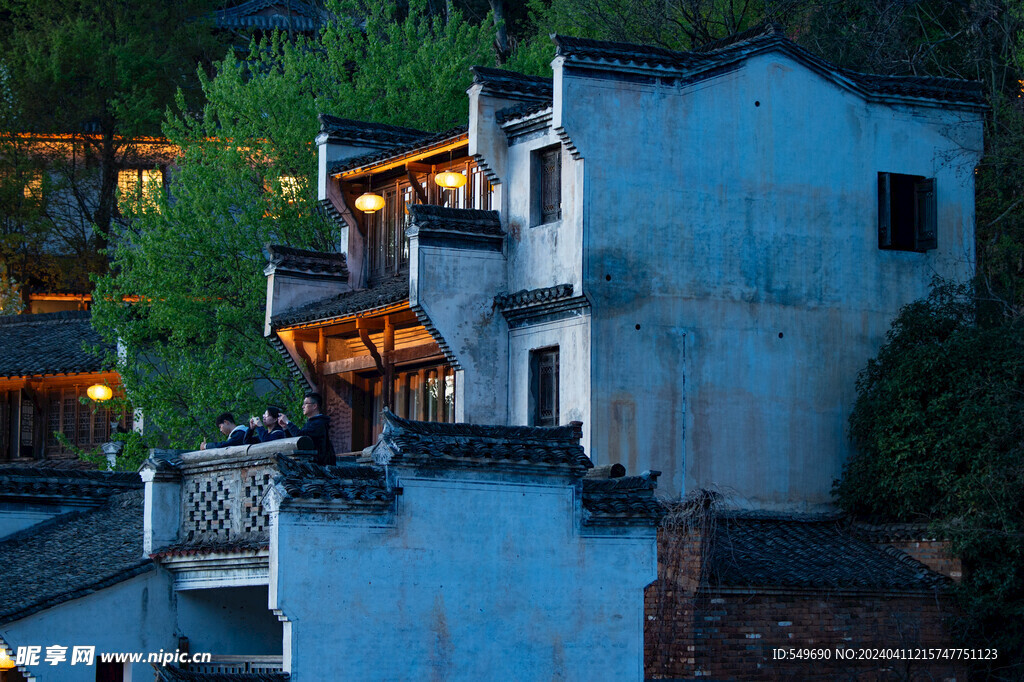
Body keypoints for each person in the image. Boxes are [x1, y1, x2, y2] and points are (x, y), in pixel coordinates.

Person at [279, 392, 336, 466]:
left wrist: (288, 422)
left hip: (320, 465)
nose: (303, 406)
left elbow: (301, 436)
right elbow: (295, 440)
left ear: (314, 406)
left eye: (305, 403)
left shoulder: (319, 423)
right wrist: (285, 428)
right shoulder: (311, 422)